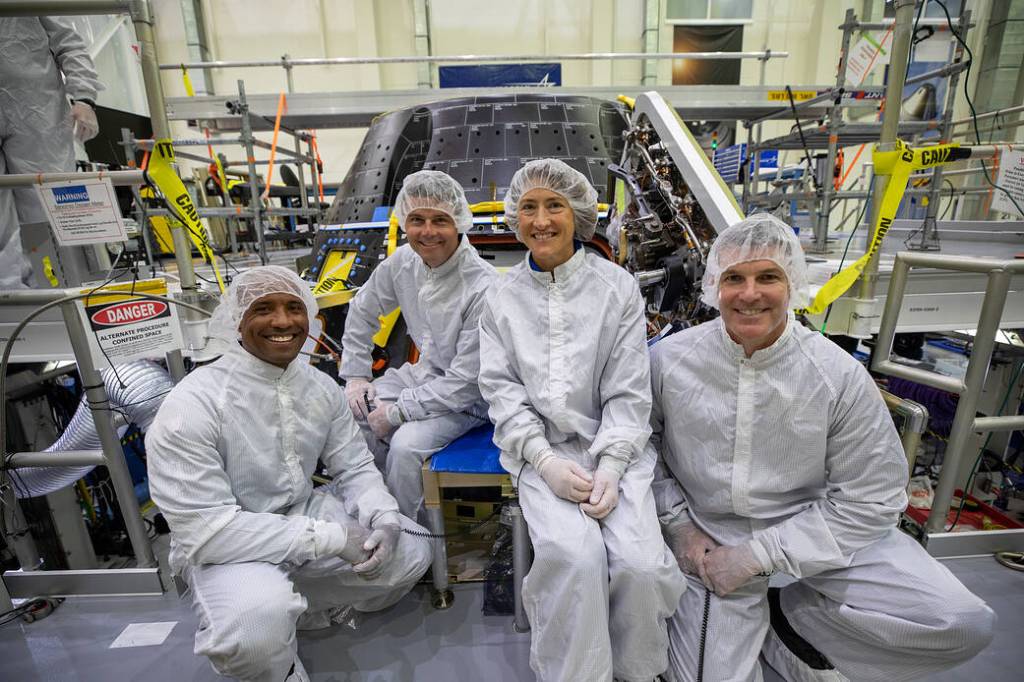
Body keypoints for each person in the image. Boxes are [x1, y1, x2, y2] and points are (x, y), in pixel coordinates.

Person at [650, 214, 995, 682]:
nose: (749, 294)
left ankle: (792, 622)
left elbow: (872, 496)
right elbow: (641, 450)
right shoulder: (670, 362)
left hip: (818, 532)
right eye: (734, 278)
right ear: (714, 285)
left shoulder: (835, 374)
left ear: (792, 283)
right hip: (712, 541)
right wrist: (680, 528)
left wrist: (761, 555)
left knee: (959, 623)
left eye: (767, 276)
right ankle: (767, 632)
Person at [147, 266, 431, 682]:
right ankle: (266, 631)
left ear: (310, 316)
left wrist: (383, 515)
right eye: (264, 309)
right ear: (237, 322)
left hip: (302, 513)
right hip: (230, 546)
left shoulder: (318, 388)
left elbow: (353, 465)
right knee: (253, 637)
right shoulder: (194, 404)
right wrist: (332, 539)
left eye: (294, 307)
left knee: (410, 554)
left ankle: (294, 605)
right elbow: (207, 531)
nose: (283, 321)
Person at [478, 158, 686, 682]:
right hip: (540, 453)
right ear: (514, 217)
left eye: (555, 206)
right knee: (574, 560)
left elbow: (628, 389)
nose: (541, 220)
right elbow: (502, 393)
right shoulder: (499, 298)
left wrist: (613, 466)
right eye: (528, 207)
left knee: (639, 567)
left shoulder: (616, 288)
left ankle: (639, 671)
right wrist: (544, 460)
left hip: (617, 450)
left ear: (579, 215)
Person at [341, 170, 497, 521]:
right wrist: (355, 375)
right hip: (424, 376)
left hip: (473, 399)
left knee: (405, 446)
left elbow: (466, 382)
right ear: (403, 221)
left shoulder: (483, 287)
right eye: (417, 220)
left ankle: (412, 539)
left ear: (459, 222)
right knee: (349, 415)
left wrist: (397, 412)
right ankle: (375, 512)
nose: (427, 232)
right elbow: (362, 310)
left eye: (439, 220)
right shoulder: (403, 264)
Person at [0, 16, 101, 288]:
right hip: (34, 108)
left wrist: (84, 97)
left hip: (36, 109)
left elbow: (69, 42)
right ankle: (10, 295)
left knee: (47, 203)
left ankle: (55, 288)